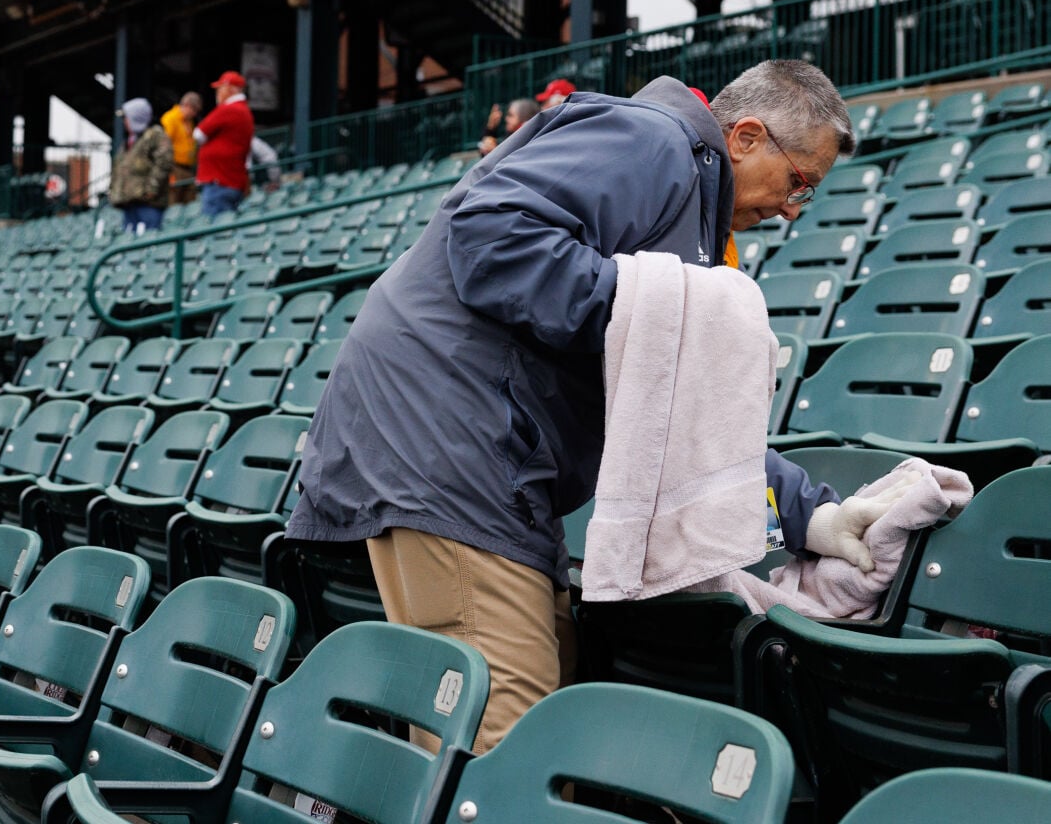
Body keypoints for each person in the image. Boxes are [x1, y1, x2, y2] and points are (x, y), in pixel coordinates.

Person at [288, 60, 882, 753]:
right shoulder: (653, 140)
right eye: (798, 183)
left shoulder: (688, 206)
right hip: (452, 444)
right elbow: (491, 237)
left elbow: (680, 410)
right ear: (745, 137)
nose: (789, 210)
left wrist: (810, 515)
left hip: (484, 451)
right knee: (502, 736)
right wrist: (638, 311)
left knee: (555, 699)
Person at [193, 71, 254, 218]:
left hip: (220, 181)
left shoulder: (230, 109)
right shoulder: (244, 110)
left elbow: (198, 134)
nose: (218, 93)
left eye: (221, 88)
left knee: (214, 234)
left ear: (232, 89)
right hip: (229, 181)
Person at [112, 98, 174, 232]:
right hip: (129, 203)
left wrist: (151, 190)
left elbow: (164, 162)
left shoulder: (155, 136)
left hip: (149, 204)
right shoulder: (129, 142)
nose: (125, 122)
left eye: (127, 118)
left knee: (147, 244)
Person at [161, 92, 202, 205]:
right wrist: (168, 170)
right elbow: (165, 145)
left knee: (190, 200)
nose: (194, 114)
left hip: (188, 168)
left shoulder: (189, 122)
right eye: (193, 111)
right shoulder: (170, 118)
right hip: (175, 167)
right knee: (173, 200)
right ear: (187, 105)